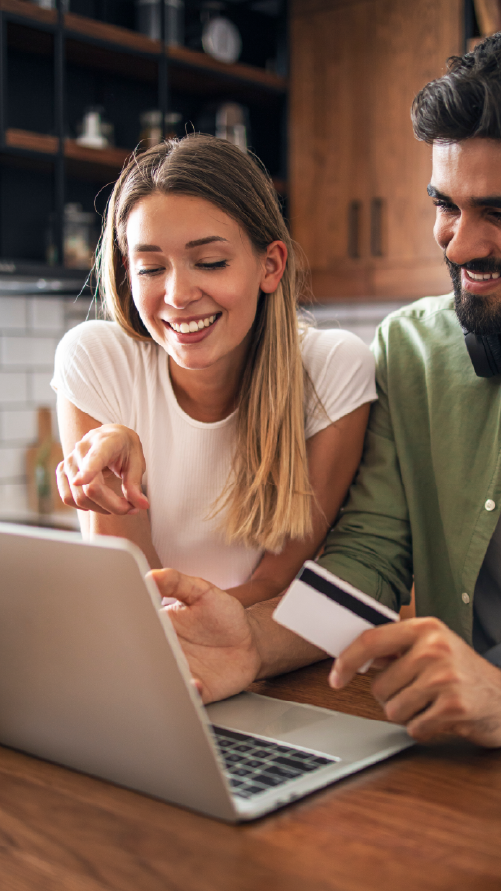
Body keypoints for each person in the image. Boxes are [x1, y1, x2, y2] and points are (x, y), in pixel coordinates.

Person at [109, 26, 501, 747]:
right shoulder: (412, 350)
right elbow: (368, 561)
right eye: (446, 205)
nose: (460, 243)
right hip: (459, 745)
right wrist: (254, 642)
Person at [53, 135, 375, 606]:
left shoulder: (334, 369)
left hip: (259, 646)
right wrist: (118, 478)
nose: (178, 295)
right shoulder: (96, 360)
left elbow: (274, 587)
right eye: (150, 268)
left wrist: (202, 634)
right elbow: (132, 597)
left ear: (270, 265)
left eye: (210, 262)